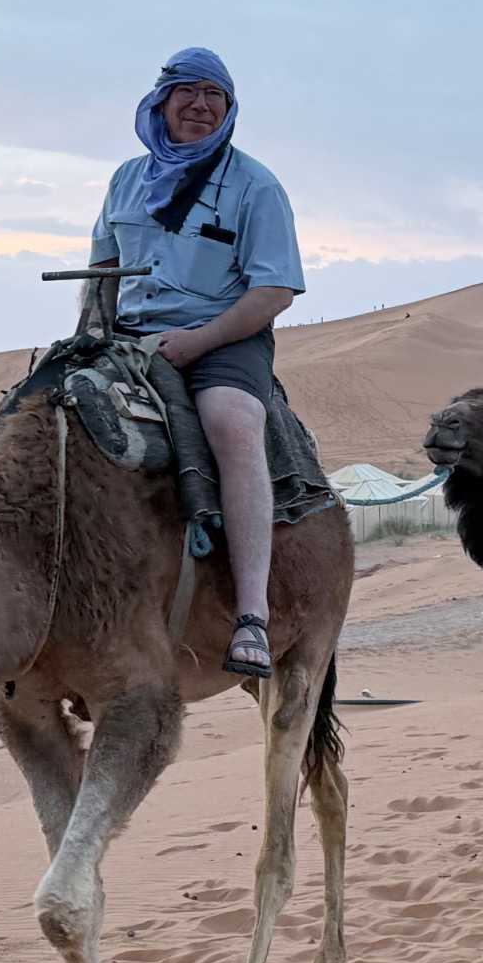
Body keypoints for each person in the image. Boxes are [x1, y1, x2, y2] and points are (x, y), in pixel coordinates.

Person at [88, 47, 305, 679]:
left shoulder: (256, 186)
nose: (201, 105)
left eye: (215, 95)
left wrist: (200, 340)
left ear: (229, 108)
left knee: (233, 424)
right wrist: (93, 334)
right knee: (43, 408)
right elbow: (103, 269)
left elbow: (274, 291)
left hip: (226, 335)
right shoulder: (127, 179)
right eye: (188, 91)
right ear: (161, 102)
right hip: (130, 337)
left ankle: (252, 614)